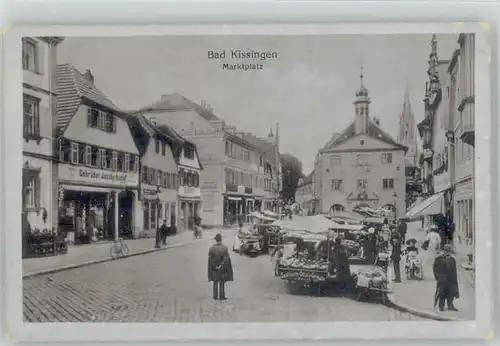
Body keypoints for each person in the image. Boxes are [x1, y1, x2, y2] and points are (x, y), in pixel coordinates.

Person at [433, 244, 459, 311]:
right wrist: (437, 277)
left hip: (451, 280)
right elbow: (434, 269)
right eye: (446, 251)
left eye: (449, 251)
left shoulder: (453, 260)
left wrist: (455, 280)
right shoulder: (438, 259)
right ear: (443, 251)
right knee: (441, 293)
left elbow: (454, 271)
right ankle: (441, 306)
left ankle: (450, 305)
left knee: (451, 292)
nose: (448, 252)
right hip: (442, 279)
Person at [208, 233, 234, 300]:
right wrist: (220, 266)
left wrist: (215, 266)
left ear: (216, 240)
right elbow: (226, 259)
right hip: (222, 268)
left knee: (215, 282)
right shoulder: (225, 248)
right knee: (222, 281)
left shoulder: (212, 248)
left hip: (214, 268)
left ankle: (215, 296)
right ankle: (222, 296)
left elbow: (210, 259)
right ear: (221, 239)